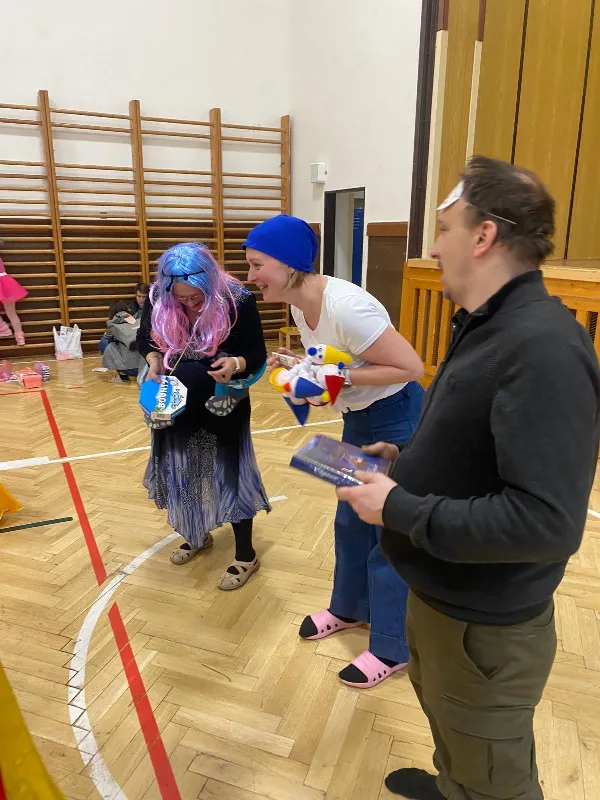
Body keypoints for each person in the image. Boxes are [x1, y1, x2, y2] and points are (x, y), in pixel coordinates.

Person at [337, 156, 600, 799]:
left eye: (444, 229)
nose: (432, 247)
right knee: (456, 735)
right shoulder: (488, 325)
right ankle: (454, 783)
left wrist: (398, 508)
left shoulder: (543, 349)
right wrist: (405, 462)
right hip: (443, 598)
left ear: (483, 236)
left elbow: (545, 523)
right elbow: (477, 445)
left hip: (485, 628)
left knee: (495, 779)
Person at [244, 214, 425, 688]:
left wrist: (336, 377)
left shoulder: (347, 307)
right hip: (358, 420)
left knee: (388, 535)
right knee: (350, 522)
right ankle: (349, 609)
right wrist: (303, 370)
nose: (251, 276)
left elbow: (410, 367)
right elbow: (336, 364)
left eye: (257, 264)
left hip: (398, 419)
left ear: (288, 264)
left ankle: (392, 648)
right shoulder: (299, 307)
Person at [137, 242, 270, 589]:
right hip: (173, 402)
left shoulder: (237, 298)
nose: (190, 305)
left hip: (223, 402)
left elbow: (257, 352)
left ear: (210, 283)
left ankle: (246, 555)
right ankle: (196, 534)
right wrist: (154, 361)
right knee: (185, 468)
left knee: (229, 472)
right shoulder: (158, 296)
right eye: (181, 299)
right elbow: (145, 341)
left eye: (197, 298)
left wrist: (235, 363)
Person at [101, 300, 145, 383]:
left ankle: (122, 374)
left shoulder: (113, 324)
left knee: (106, 345)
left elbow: (104, 342)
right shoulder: (138, 318)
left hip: (131, 369)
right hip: (145, 367)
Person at [0, 239, 28, 346]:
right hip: (7, 285)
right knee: (12, 313)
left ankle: (4, 328)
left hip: (3, 285)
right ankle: (20, 338)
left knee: (11, 313)